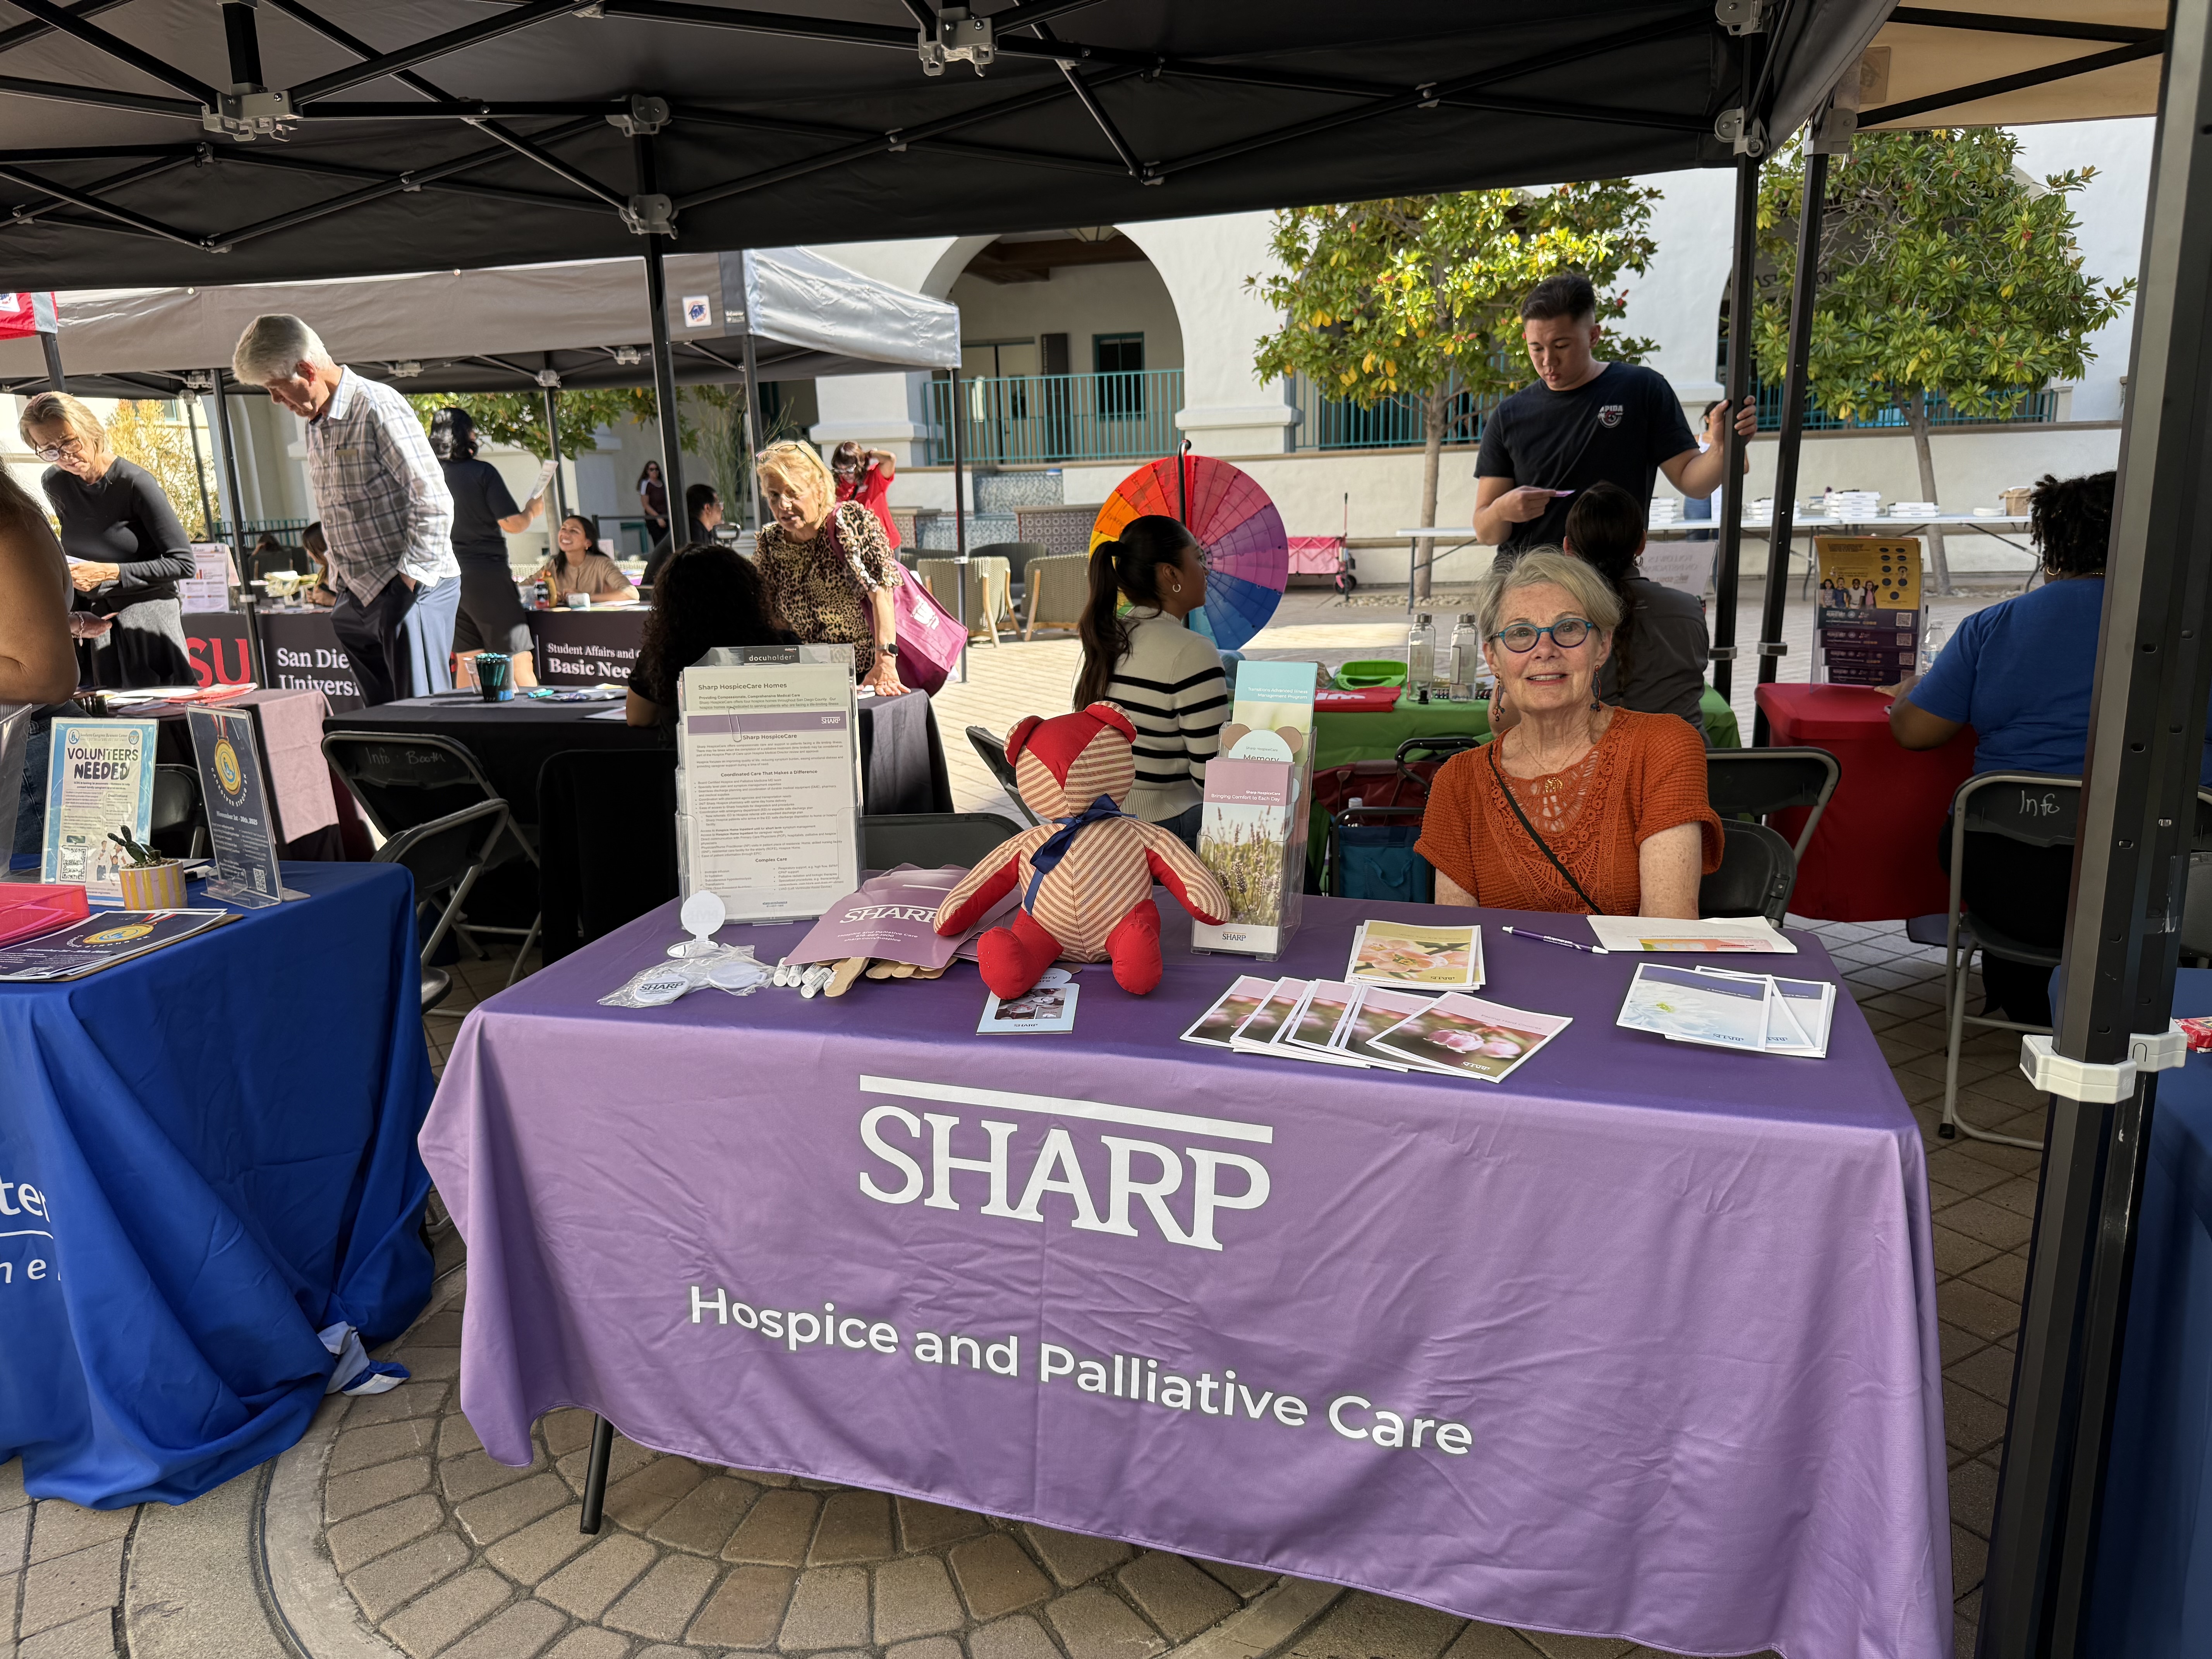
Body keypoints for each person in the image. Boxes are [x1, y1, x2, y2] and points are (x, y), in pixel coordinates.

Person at [1889, 470, 2210, 1024]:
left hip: (2013, 881)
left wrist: (1922, 683)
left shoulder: (1994, 626)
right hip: (2166, 890)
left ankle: (2029, 1003)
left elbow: (1914, 732)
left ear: (2053, 543)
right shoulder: (2193, 630)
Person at [1416, 549, 1722, 915]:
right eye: (1521, 633)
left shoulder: (1663, 746)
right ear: (1493, 658)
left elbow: (1667, 932)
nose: (1545, 650)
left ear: (1603, 645)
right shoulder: (1458, 782)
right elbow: (1458, 948)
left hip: (1626, 975)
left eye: (1569, 628)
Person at [232, 314, 460, 705]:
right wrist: (339, 586)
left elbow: (433, 500)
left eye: (276, 388)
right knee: (384, 725)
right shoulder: (316, 421)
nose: (275, 401)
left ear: (306, 370)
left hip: (409, 586)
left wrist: (407, 582)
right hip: (357, 593)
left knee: (425, 719)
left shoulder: (376, 405)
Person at [1474, 272, 1757, 562]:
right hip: (1526, 582)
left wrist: (1722, 448)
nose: (1548, 361)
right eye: (1536, 348)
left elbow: (1693, 483)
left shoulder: (1641, 389)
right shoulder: (1509, 415)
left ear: (1594, 335)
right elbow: (1485, 532)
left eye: (1561, 346)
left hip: (1611, 583)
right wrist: (1502, 511)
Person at [20, 392, 197, 688]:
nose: (65, 457)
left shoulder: (135, 482)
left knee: (162, 723)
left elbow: (183, 564)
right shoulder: (55, 482)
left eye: (69, 442)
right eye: (49, 450)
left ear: (91, 431)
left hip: (148, 621)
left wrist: (110, 571)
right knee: (103, 723)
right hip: (93, 623)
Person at [1072, 515, 1226, 849]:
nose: (1206, 570)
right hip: (1170, 829)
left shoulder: (1110, 637)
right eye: (1197, 559)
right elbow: (1213, 782)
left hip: (1106, 826)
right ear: (1171, 574)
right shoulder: (1192, 651)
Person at [752, 440, 909, 696]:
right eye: (775, 495)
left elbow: (881, 593)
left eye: (793, 493)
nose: (783, 505)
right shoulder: (771, 543)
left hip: (867, 678)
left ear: (819, 490)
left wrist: (886, 663)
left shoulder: (849, 522)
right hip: (809, 679)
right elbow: (771, 615)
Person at [1556, 479, 1709, 731]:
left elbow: (1505, 718)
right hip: (1687, 759)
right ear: (1642, 542)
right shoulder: (1688, 609)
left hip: (1594, 765)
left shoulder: (1555, 622)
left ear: (1568, 549)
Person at [429, 407, 550, 689]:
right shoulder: (482, 472)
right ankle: (542, 722)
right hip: (486, 574)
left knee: (469, 660)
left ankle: (463, 728)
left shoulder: (430, 475)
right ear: (465, 435)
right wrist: (532, 510)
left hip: (446, 577)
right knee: (518, 657)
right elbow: (512, 524)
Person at [625, 544, 799, 725]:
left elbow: (638, 718)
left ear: (670, 602)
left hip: (688, 752)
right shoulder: (782, 647)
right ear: (747, 591)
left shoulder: (664, 653)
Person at [537, 515, 639, 608]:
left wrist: (584, 598)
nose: (565, 533)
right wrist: (550, 596)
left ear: (588, 542)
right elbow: (524, 590)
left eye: (574, 531)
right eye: (563, 529)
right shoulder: (553, 566)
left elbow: (631, 593)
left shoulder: (602, 564)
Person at [644, 483, 723, 590]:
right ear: (708, 508)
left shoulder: (698, 529)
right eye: (718, 503)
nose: (722, 508)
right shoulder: (691, 531)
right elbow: (701, 572)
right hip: (658, 593)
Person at [832, 441, 899, 550]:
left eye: (850, 470)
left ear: (860, 463)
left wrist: (869, 454)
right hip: (855, 547)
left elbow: (890, 459)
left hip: (884, 544)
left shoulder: (874, 477)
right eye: (840, 470)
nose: (844, 474)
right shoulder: (835, 485)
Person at [638, 459, 670, 542]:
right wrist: (658, 517)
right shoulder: (646, 484)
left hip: (666, 517)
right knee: (660, 543)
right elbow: (646, 505)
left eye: (656, 469)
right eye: (652, 469)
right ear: (647, 471)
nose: (655, 471)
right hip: (654, 520)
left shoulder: (662, 483)